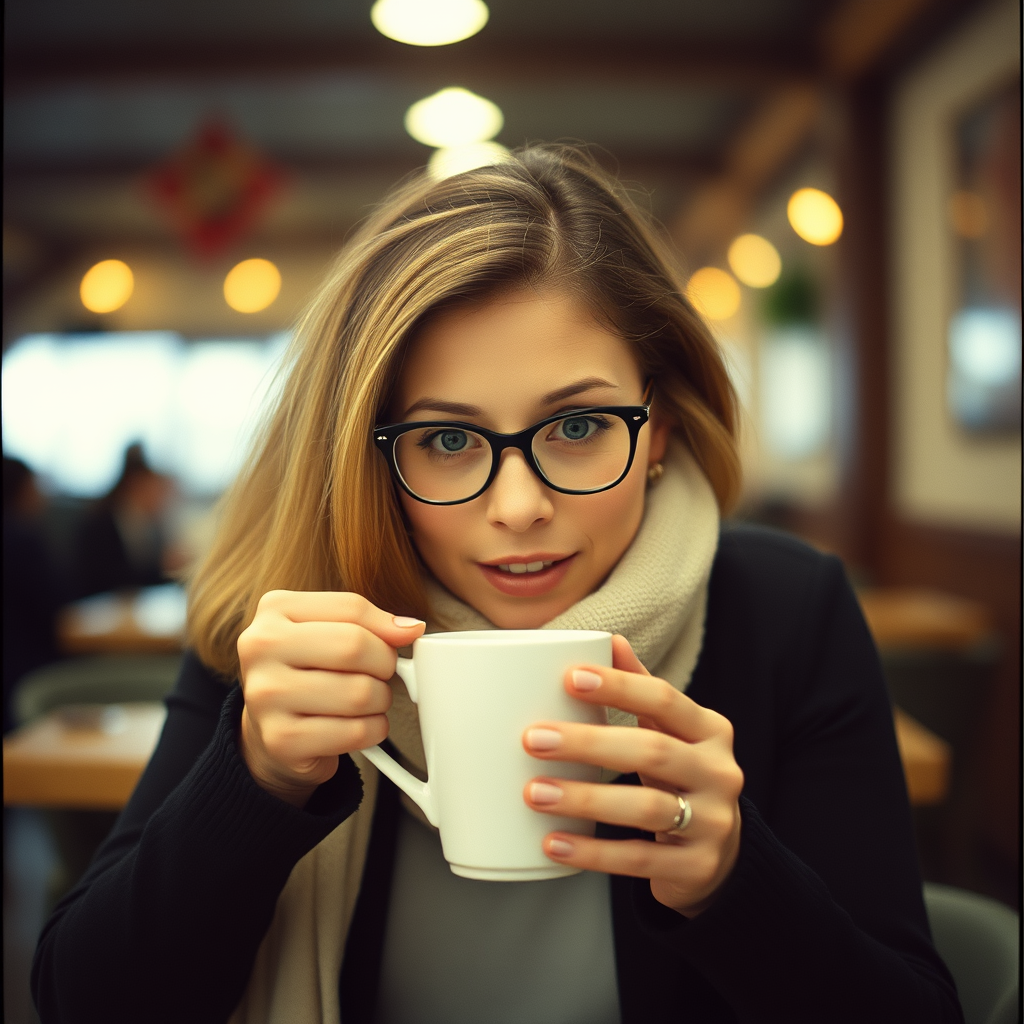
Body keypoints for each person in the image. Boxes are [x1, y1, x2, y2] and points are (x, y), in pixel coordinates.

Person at [32, 146, 963, 1024]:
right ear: (373, 459)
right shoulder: (288, 622)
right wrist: (256, 780)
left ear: (662, 430)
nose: (518, 507)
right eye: (445, 440)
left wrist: (736, 882)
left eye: (579, 427)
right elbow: (86, 1000)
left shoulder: (786, 614)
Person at [3, 456, 63, 732]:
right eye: (35, 487)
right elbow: (52, 605)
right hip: (30, 666)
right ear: (21, 489)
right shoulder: (25, 540)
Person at [72, 443, 176, 599]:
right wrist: (162, 567)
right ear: (137, 486)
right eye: (157, 491)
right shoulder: (100, 523)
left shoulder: (151, 525)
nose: (161, 500)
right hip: (98, 608)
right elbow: (108, 577)